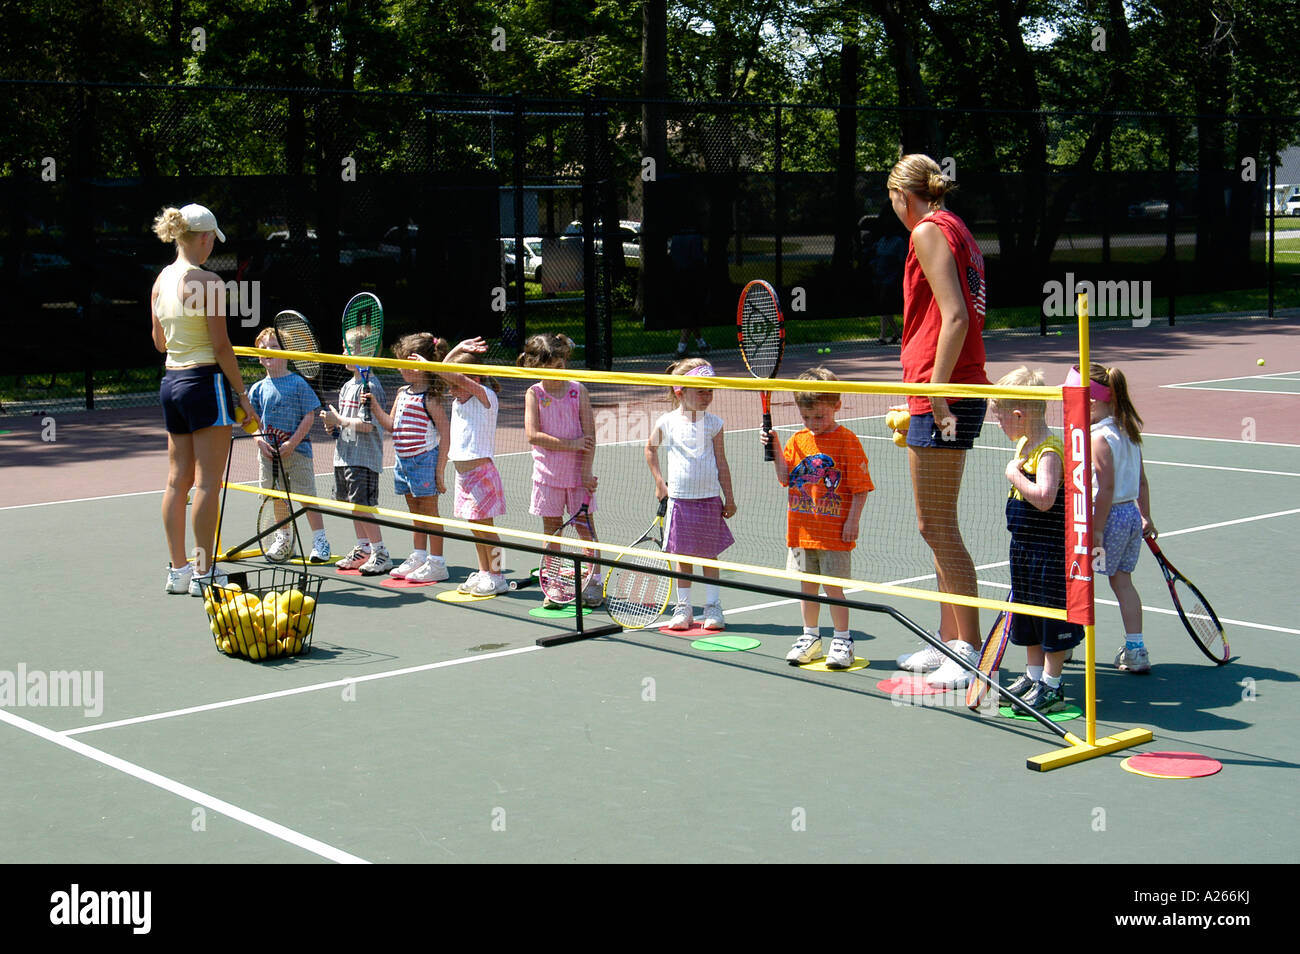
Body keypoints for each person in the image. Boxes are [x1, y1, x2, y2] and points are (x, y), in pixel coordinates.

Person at [887, 154, 991, 689]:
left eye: (891, 200)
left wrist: (936, 392)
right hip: (943, 388)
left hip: (944, 392)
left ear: (902, 196)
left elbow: (955, 314)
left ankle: (968, 649)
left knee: (937, 526)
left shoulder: (928, 229)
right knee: (935, 527)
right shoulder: (956, 226)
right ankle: (948, 640)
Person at [152, 203, 255, 596]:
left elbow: (159, 340)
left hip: (172, 383)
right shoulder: (209, 282)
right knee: (208, 483)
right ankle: (204, 573)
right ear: (204, 238)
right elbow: (221, 346)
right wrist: (243, 395)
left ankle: (179, 570)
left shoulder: (160, 280)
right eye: (213, 239)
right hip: (203, 381)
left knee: (178, 482)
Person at [760, 369, 873, 669]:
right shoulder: (797, 441)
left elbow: (861, 489)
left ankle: (842, 640)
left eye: (819, 417)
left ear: (836, 405)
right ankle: (810, 637)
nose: (813, 424)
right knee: (806, 587)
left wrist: (852, 521)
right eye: (807, 417)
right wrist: (774, 446)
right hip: (801, 532)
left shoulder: (848, 441)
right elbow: (785, 477)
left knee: (834, 588)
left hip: (834, 532)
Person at [990, 368, 1084, 712]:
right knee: (1026, 614)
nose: (998, 424)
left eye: (999, 417)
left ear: (1019, 414)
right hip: (1024, 548)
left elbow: (1045, 497)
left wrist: (1014, 473)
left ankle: (1052, 684)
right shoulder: (1024, 443)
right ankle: (1032, 676)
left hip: (1047, 551)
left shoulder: (1048, 451)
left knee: (1049, 615)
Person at [644, 358, 737, 631]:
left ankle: (713, 608)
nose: (707, 396)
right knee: (682, 558)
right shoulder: (667, 422)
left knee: (709, 556)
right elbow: (650, 449)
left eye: (710, 390)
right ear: (680, 391)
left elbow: (722, 462)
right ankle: (683, 608)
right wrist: (660, 483)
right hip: (680, 501)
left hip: (709, 500)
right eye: (701, 390)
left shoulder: (714, 423)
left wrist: (729, 497)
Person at [1080, 364, 1157, 673]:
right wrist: (1145, 516)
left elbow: (1105, 487)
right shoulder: (1129, 433)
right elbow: (1142, 481)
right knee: (1122, 582)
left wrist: (1097, 530)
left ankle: (1064, 644)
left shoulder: (1098, 438)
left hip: (1106, 516)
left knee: (1078, 579)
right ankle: (1136, 649)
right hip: (1129, 516)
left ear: (1095, 401)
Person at [419, 337, 509, 597]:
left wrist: (436, 364)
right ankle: (484, 572)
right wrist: (458, 348)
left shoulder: (485, 397)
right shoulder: (460, 402)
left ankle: (498, 575)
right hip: (464, 475)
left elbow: (456, 377)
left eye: (455, 386)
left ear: (474, 380)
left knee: (486, 529)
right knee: (475, 528)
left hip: (481, 475)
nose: (451, 391)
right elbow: (452, 376)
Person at [519, 333, 602, 608]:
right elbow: (532, 435)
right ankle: (552, 582)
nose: (559, 370)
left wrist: (587, 471)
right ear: (536, 366)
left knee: (584, 527)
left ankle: (594, 582)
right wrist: (570, 444)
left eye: (561, 364)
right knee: (552, 532)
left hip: (578, 476)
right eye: (552, 366)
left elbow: (589, 435)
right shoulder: (534, 393)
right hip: (547, 476)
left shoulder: (578, 391)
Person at [366, 335, 454, 583]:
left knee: (430, 514)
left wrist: (439, 470)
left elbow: (445, 434)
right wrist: (374, 406)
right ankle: (419, 555)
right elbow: (391, 426)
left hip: (424, 461)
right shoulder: (402, 392)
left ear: (420, 365)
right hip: (402, 462)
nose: (399, 368)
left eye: (405, 363)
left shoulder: (431, 398)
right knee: (415, 512)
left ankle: (437, 562)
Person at [248, 327, 332, 563]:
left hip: (298, 453)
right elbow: (251, 421)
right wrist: (259, 440)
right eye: (263, 348)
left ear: (286, 352)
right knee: (277, 497)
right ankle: (284, 539)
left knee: (307, 498)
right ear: (257, 356)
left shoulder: (297, 383)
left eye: (274, 346)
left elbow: (309, 416)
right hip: (268, 457)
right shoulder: (256, 389)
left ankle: (320, 540)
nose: (268, 351)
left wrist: (292, 443)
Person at [321, 327, 392, 575]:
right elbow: (345, 426)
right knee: (353, 506)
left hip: (364, 459)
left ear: (365, 352)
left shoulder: (371, 386)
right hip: (344, 457)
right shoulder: (346, 387)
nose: (342, 352)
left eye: (346, 348)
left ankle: (380, 552)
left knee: (364, 506)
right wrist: (333, 427)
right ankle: (363, 548)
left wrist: (338, 419)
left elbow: (367, 425)